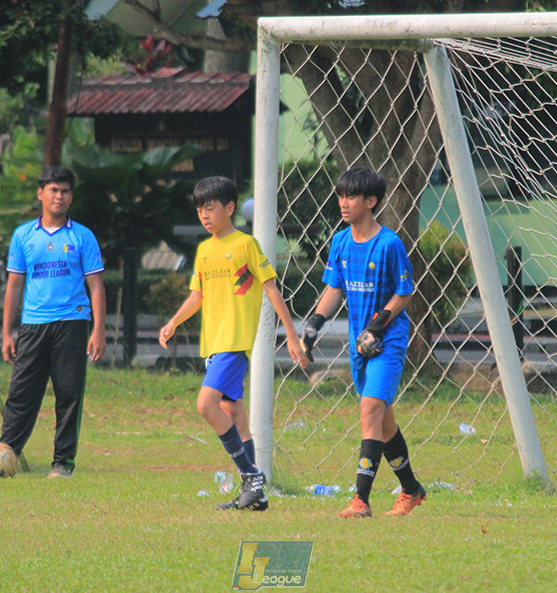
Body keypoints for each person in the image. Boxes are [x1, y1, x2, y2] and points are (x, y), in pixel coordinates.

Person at [159, 176, 308, 511]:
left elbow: (271, 289)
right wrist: (172, 322)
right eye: (199, 210)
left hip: (234, 343)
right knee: (235, 414)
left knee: (205, 406)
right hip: (213, 345)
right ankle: (255, 494)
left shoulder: (246, 246)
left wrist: (292, 335)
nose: (204, 216)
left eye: (210, 208)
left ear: (229, 208)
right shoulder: (204, 251)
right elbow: (196, 297)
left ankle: (251, 475)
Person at [0, 166, 106, 479]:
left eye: (65, 191)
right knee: (21, 394)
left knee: (68, 394)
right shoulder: (23, 235)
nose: (59, 196)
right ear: (41, 193)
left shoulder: (82, 236)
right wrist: (7, 332)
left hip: (72, 322)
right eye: (53, 190)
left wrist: (98, 330)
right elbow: (14, 286)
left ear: (71, 196)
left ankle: (62, 464)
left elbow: (96, 286)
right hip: (33, 325)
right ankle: (1, 460)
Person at [301, 167, 426, 518]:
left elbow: (404, 293)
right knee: (383, 422)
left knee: (369, 409)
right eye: (340, 195)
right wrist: (312, 327)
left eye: (351, 196)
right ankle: (412, 490)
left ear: (370, 202)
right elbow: (334, 288)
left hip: (388, 340)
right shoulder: (340, 241)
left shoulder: (389, 244)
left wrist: (378, 325)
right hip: (360, 345)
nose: (343, 202)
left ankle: (360, 500)